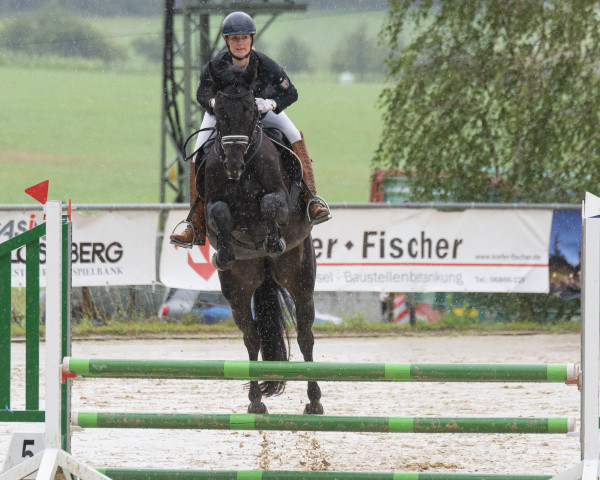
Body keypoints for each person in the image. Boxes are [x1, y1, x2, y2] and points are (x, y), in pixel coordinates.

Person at [170, 11, 331, 248]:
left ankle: (312, 200)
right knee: (197, 151)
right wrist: (213, 103)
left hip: (261, 113)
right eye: (234, 39)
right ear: (226, 41)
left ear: (251, 39)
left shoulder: (265, 64)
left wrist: (272, 103)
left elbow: (291, 92)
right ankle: (194, 223)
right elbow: (202, 94)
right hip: (225, 117)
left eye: (244, 38)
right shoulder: (215, 65)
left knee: (294, 135)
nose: (240, 43)